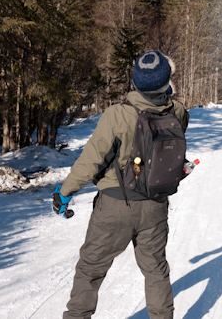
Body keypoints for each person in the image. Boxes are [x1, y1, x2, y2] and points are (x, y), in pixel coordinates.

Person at [52, 50, 189, 319]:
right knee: (155, 269)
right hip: (155, 203)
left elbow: (91, 160)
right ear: (166, 81)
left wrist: (64, 191)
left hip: (115, 205)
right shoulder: (179, 112)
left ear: (135, 82)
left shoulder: (117, 115)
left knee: (91, 269)